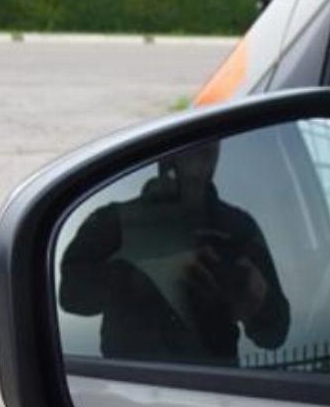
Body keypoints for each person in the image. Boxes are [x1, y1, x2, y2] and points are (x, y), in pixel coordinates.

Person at [59, 141, 290, 366]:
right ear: (164, 153)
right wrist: (145, 277)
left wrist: (258, 299)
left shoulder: (239, 229)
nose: (201, 147)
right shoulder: (113, 223)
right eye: (191, 141)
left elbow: (275, 335)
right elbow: (70, 296)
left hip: (216, 386)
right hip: (129, 383)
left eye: (209, 139)